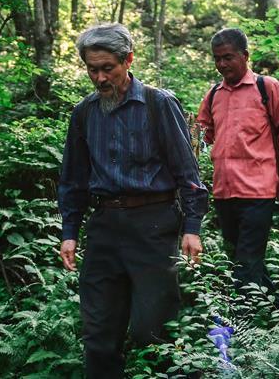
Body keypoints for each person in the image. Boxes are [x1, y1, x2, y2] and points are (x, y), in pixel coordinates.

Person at [58, 23, 209, 378]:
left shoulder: (159, 104)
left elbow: (187, 172)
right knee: (98, 333)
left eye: (107, 68)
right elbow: (73, 178)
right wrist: (69, 231)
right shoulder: (84, 113)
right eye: (92, 69)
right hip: (104, 228)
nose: (99, 78)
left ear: (128, 60)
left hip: (153, 224)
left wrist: (192, 227)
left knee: (152, 330)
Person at [196, 28, 279, 299]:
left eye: (228, 57)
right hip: (224, 191)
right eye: (217, 59)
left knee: (247, 259)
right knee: (237, 259)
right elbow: (201, 135)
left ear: (245, 56)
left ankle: (244, 326)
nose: (222, 65)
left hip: (258, 190)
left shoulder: (268, 88)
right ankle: (276, 311)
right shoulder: (214, 94)